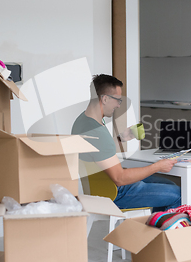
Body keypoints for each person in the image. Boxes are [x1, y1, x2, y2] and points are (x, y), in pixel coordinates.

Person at [72, 74, 181, 212]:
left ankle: (152, 226)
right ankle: (163, 230)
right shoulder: (97, 132)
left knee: (168, 184)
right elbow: (120, 178)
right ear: (105, 99)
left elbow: (99, 152)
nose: (118, 105)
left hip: (99, 186)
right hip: (115, 192)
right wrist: (157, 166)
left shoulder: (82, 122)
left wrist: (120, 138)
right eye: (118, 100)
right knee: (178, 194)